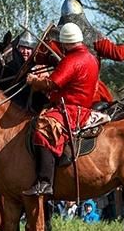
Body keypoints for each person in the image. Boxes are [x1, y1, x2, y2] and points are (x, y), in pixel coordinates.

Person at [23, 22, 100, 196]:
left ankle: (44, 182)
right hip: (82, 108)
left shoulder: (72, 59)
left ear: (65, 42)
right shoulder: (90, 57)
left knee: (42, 128)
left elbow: (52, 83)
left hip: (71, 110)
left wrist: (33, 80)